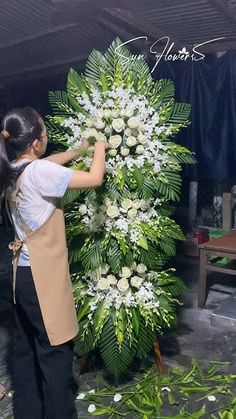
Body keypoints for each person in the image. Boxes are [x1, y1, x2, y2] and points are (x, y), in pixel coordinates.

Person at [0, 106, 107, 419]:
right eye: (45, 132)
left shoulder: (14, 169)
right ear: (35, 142)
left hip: (21, 276)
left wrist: (79, 149)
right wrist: (100, 145)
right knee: (56, 357)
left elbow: (46, 165)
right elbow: (95, 178)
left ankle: (29, 412)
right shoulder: (38, 173)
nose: (47, 138)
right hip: (42, 278)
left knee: (28, 352)